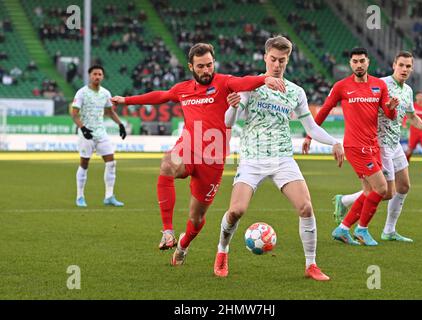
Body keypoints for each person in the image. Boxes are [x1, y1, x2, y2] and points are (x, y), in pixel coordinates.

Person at [111, 43, 285, 265]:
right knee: (166, 165)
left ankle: (183, 246)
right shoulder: (183, 89)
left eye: (209, 65)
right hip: (188, 148)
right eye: (201, 66)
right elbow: (160, 96)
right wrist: (126, 100)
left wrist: (264, 79)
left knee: (197, 218)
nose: (206, 70)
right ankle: (167, 231)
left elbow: (243, 82)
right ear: (191, 67)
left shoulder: (224, 82)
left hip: (212, 160)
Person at [213, 36, 344, 281]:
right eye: (273, 59)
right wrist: (231, 106)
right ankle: (222, 251)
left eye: (282, 60)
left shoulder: (296, 92)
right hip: (252, 158)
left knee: (305, 207)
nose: (277, 65)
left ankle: (311, 264)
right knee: (236, 211)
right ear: (265, 57)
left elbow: (312, 128)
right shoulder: (250, 86)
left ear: (287, 60)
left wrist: (335, 142)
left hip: (283, 158)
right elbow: (227, 122)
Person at [322, 52, 422, 242]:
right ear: (394, 65)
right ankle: (346, 204)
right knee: (384, 191)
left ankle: (389, 230)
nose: (404, 69)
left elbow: (410, 116)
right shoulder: (380, 84)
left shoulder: (408, 90)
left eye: (408, 66)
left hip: (395, 144)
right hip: (379, 144)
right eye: (401, 65)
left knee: (404, 186)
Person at [302, 47, 399, 246]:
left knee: (369, 192)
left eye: (362, 61)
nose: (359, 64)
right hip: (355, 146)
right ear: (350, 64)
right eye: (355, 61)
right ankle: (362, 230)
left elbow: (389, 115)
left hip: (373, 146)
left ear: (368, 62)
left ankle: (343, 229)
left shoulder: (379, 85)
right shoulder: (341, 86)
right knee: (381, 188)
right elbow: (325, 110)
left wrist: (390, 108)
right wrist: (309, 136)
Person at [71, 65, 127, 208]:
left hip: (101, 133)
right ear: (90, 76)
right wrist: (82, 128)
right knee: (84, 164)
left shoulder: (105, 93)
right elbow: (74, 113)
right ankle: (80, 196)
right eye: (94, 74)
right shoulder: (82, 93)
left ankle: (109, 196)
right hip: (87, 134)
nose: (97, 76)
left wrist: (120, 125)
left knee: (111, 162)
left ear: (103, 76)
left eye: (100, 74)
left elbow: (110, 112)